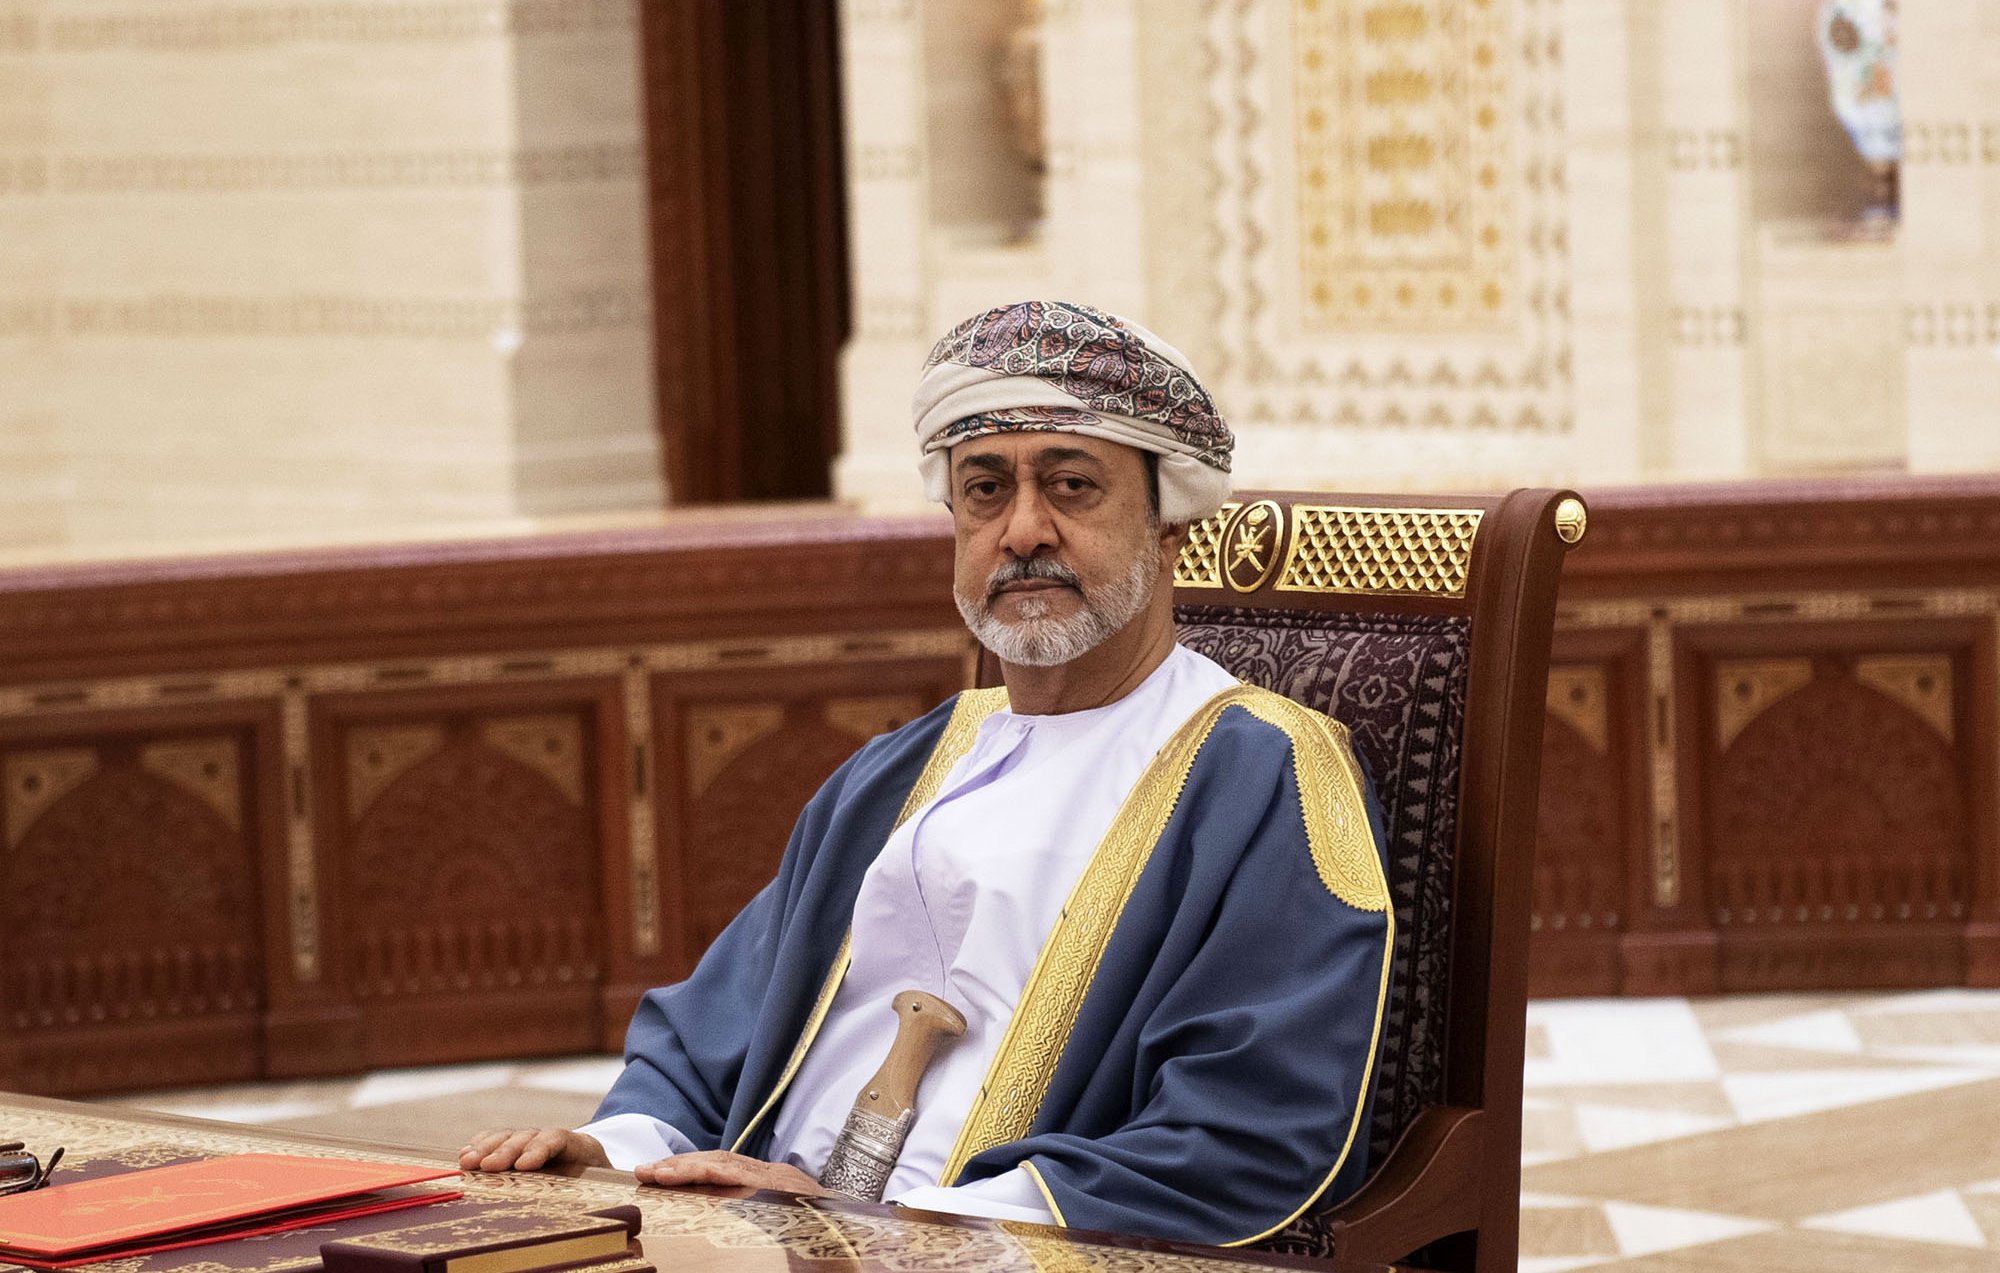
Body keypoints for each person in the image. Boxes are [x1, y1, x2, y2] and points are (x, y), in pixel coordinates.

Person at [461, 300, 1393, 1248]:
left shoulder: (1262, 772)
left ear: (1168, 527)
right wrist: (609, 1145)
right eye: (985, 491)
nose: (1024, 529)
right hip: (758, 1236)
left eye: (1072, 486)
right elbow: (709, 1031)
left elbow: (1252, 1128)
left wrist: (893, 1227)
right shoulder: (904, 765)